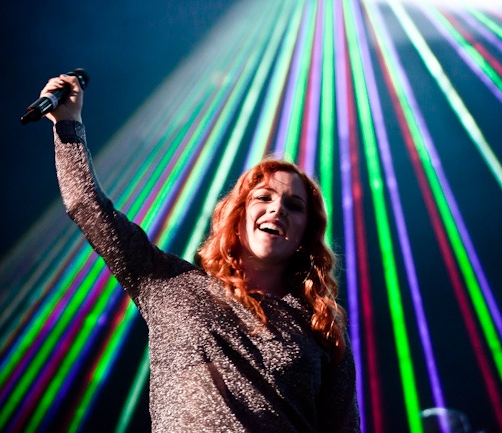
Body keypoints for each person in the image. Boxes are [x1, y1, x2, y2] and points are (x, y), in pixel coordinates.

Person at [43, 74, 360, 432]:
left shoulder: (320, 325)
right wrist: (68, 123)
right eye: (263, 198)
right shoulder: (168, 284)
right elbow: (87, 206)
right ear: (238, 215)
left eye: (294, 205)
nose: (277, 210)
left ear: (306, 233)